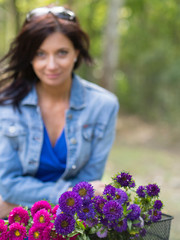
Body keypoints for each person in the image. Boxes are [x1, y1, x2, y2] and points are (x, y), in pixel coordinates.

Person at [0, 6, 119, 218]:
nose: (51, 65)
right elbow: (9, 185)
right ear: (30, 57)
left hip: (71, 223)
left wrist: (17, 203)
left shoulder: (103, 106)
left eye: (62, 52)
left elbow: (90, 183)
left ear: (77, 53)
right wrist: (69, 195)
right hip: (16, 225)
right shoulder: (7, 105)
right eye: (40, 54)